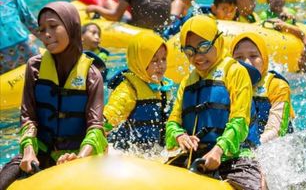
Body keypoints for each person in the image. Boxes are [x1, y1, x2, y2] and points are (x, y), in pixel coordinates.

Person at [0, 2, 107, 190]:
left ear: (71, 25)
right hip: (39, 154)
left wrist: (80, 158)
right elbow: (28, 117)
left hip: (78, 156)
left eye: (53, 26)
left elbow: (96, 127)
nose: (46, 35)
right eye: (41, 29)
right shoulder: (34, 67)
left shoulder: (91, 75)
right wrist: (28, 151)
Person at [165, 15, 265, 189]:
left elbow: (240, 121)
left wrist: (219, 149)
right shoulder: (187, 82)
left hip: (234, 157)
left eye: (203, 47)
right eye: (189, 51)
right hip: (195, 156)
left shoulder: (234, 71)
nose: (197, 56)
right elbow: (172, 122)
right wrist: (179, 135)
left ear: (217, 41)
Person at [104, 33, 172, 149]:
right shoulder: (129, 88)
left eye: (164, 59)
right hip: (128, 152)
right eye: (154, 60)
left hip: (154, 151)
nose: (161, 65)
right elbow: (109, 117)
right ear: (139, 61)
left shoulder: (163, 87)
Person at [231, 32, 294, 146]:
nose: (246, 62)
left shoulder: (277, 86)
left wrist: (250, 146)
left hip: (271, 148)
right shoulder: (228, 85)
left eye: (253, 56)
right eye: (239, 58)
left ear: (264, 58)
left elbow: (276, 130)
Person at [0, 0, 39, 74]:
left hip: (11, 55)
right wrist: (43, 35)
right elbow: (27, 17)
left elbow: (26, 16)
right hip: (24, 48)